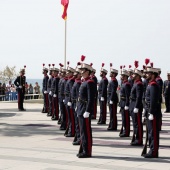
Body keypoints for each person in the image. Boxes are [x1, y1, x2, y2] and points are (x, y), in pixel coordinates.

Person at [76, 60, 95, 158]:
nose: (81, 72)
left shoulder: (90, 83)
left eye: (83, 70)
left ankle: (87, 151)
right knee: (82, 131)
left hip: (84, 109)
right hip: (81, 108)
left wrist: (88, 110)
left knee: (86, 131)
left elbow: (91, 98)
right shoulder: (84, 82)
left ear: (87, 71)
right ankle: (83, 148)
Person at [142, 67, 160, 158]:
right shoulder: (150, 84)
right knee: (150, 132)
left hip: (152, 112)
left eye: (148, 73)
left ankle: (154, 151)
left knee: (153, 133)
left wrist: (152, 112)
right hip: (149, 111)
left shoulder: (153, 85)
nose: (147, 75)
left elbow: (153, 100)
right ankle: (151, 149)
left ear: (153, 75)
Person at [129, 68, 143, 146]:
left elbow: (139, 97)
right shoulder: (135, 83)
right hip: (132, 103)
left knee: (137, 123)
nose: (132, 75)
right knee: (135, 123)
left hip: (135, 104)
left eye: (134, 74)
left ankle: (139, 139)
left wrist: (137, 106)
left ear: (138, 76)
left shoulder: (139, 84)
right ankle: (136, 138)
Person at [64, 65, 76, 137]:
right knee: (69, 117)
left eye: (68, 72)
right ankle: (70, 130)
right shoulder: (69, 79)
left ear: (72, 73)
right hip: (67, 100)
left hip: (69, 101)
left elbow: (72, 92)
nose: (67, 73)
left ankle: (72, 132)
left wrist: (70, 100)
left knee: (71, 118)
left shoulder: (71, 80)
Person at [119, 69, 131, 137]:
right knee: (123, 118)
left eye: (123, 76)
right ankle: (124, 130)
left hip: (125, 103)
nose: (121, 77)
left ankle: (126, 132)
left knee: (126, 119)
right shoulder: (124, 83)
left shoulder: (127, 84)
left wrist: (127, 104)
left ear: (126, 76)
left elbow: (127, 95)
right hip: (122, 103)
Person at [71, 66, 82, 145]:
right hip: (74, 103)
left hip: (77, 104)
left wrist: (77, 105)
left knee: (78, 123)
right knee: (76, 122)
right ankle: (77, 136)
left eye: (76, 74)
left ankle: (79, 138)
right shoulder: (76, 81)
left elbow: (78, 95)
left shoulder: (78, 83)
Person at [107, 65, 118, 131]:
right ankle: (111, 125)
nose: (110, 74)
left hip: (113, 99)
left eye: (111, 73)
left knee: (113, 113)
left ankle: (113, 126)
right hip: (111, 98)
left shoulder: (114, 81)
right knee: (111, 113)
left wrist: (111, 99)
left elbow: (113, 91)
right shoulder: (112, 80)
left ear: (114, 74)